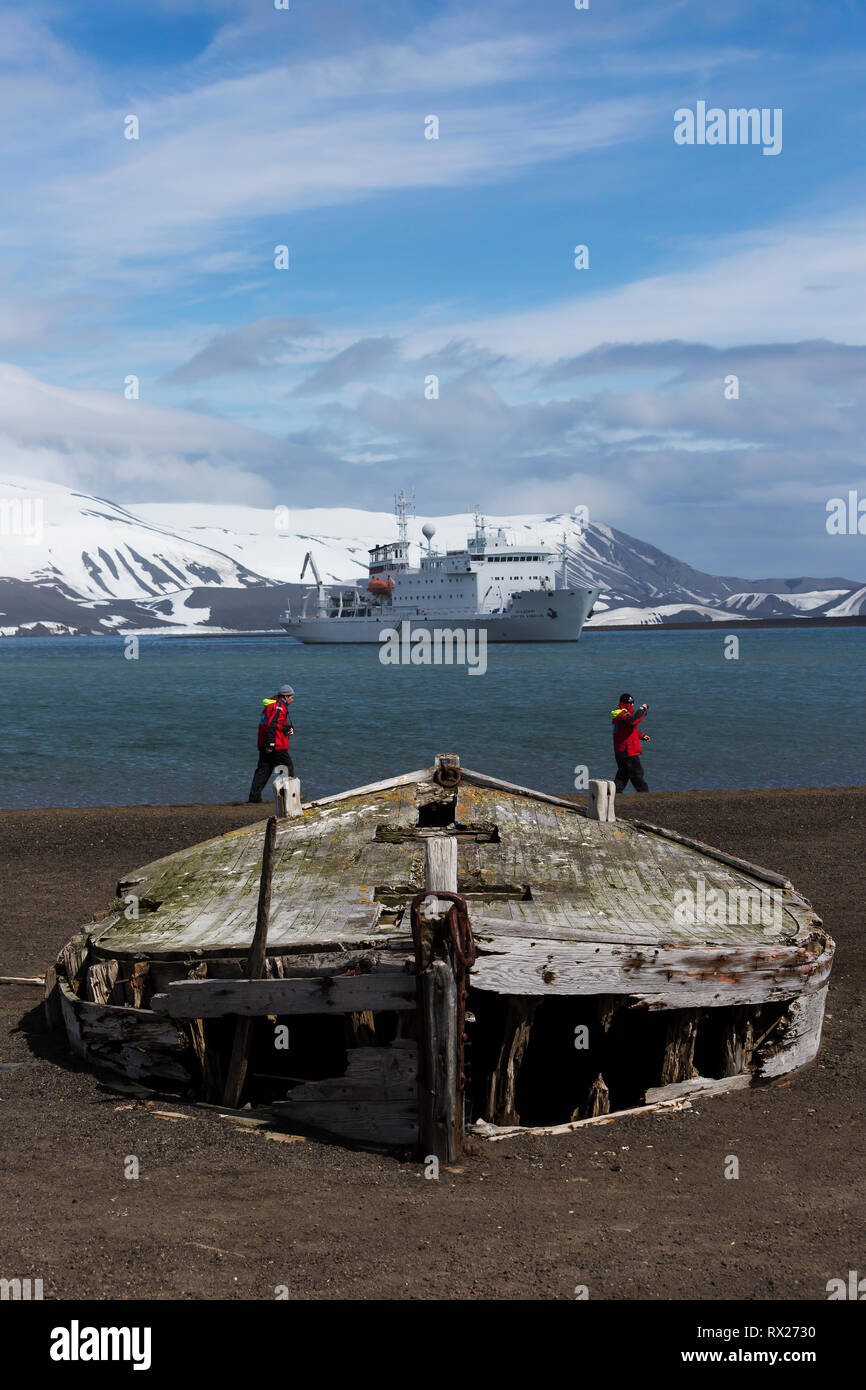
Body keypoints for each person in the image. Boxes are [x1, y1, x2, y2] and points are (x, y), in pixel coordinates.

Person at [248, 684, 295, 803]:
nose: (292, 700)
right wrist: (271, 744)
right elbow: (272, 726)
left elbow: (274, 725)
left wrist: (287, 728)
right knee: (287, 768)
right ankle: (289, 798)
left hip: (263, 744)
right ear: (286, 696)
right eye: (291, 697)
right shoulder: (279, 707)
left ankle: (254, 799)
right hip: (276, 746)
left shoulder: (270, 706)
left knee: (263, 771)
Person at [611, 692, 651, 793]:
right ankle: (645, 795)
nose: (633, 705)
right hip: (627, 751)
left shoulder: (619, 714)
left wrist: (641, 736)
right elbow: (633, 721)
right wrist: (642, 709)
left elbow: (628, 731)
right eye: (632, 703)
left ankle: (614, 793)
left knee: (623, 775)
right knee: (637, 773)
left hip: (620, 751)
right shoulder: (622, 714)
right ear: (628, 703)